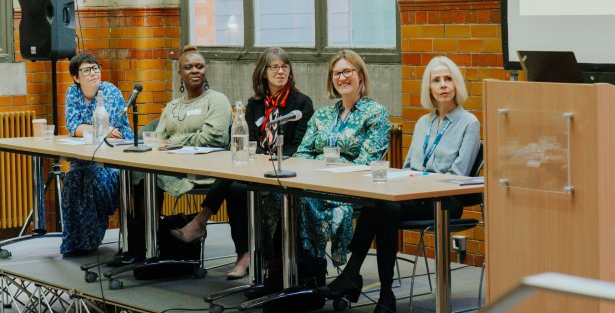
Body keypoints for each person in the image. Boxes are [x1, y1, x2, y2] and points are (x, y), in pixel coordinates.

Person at [317, 56, 480, 312]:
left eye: (448, 79)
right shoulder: (423, 123)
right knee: (381, 205)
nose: (443, 85)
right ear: (429, 88)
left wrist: (415, 181)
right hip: (412, 196)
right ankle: (383, 294)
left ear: (457, 84)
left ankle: (355, 276)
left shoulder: (469, 123)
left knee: (382, 207)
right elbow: (407, 168)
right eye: (436, 80)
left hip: (444, 201)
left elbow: (458, 175)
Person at [171, 47, 313, 280]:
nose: (280, 71)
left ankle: (200, 221)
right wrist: (256, 158)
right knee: (236, 188)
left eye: (284, 66)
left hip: (285, 171)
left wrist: (264, 159)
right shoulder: (255, 104)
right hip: (254, 168)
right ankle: (243, 255)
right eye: (274, 67)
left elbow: (297, 147)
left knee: (235, 180)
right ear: (263, 73)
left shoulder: (301, 104)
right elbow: (249, 141)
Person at [285, 50, 391, 287]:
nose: (342, 77)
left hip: (352, 189)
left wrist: (323, 168)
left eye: (347, 71)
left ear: (360, 75)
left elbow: (366, 163)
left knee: (299, 201)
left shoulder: (375, 114)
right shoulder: (323, 115)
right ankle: (285, 270)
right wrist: (319, 170)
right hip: (315, 184)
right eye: (336, 73)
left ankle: (309, 269)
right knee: (277, 196)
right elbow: (302, 154)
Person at [143, 46, 234, 269]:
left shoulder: (217, 100)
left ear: (205, 71)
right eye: (188, 67)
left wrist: (175, 141)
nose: (195, 70)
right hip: (172, 168)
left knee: (146, 178)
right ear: (180, 73)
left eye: (199, 66)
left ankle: (156, 241)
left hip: (206, 170)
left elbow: (214, 137)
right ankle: (146, 240)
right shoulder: (173, 106)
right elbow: (158, 138)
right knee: (139, 176)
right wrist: (180, 140)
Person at [62, 52, 134, 255]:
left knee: (95, 178)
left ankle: (90, 238)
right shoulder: (72, 93)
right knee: (71, 181)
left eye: (96, 68)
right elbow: (74, 126)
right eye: (87, 70)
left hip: (114, 158)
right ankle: (74, 242)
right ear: (76, 77)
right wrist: (95, 129)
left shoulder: (109, 91)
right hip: (84, 158)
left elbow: (109, 129)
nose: (94, 73)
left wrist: (92, 128)